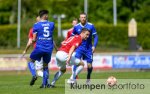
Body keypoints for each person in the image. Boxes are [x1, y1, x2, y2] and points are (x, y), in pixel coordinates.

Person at [68, 13, 98, 84]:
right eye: (82, 17)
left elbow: (96, 36)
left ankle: (88, 78)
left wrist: (94, 46)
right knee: (76, 62)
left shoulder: (91, 26)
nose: (83, 18)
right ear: (79, 18)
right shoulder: (76, 27)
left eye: (84, 17)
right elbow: (72, 37)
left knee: (89, 66)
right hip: (79, 48)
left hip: (88, 49)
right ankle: (74, 79)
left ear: (86, 18)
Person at [27, 10, 55, 88]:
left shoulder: (36, 25)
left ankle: (34, 75)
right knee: (45, 66)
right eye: (47, 15)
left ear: (40, 16)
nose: (48, 16)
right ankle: (44, 84)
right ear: (45, 16)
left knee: (30, 61)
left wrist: (32, 42)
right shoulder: (52, 24)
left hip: (39, 47)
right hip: (49, 48)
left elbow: (34, 39)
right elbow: (51, 36)